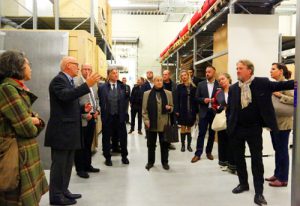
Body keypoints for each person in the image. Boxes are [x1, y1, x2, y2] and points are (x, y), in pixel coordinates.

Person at [226, 60, 294, 206]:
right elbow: (230, 109)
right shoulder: (233, 88)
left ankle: (259, 192)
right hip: (237, 129)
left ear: (249, 70)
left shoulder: (261, 83)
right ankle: (243, 183)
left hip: (254, 129)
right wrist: (229, 126)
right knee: (239, 159)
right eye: (236, 68)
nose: (237, 71)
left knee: (257, 161)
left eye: (241, 68)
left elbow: (283, 85)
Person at [45, 56, 100, 205]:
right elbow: (65, 96)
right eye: (76, 64)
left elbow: (68, 103)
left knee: (68, 164)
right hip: (61, 131)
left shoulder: (68, 81)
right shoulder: (59, 80)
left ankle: (64, 191)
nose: (78, 67)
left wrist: (83, 108)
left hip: (69, 131)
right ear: (68, 65)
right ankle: (56, 196)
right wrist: (86, 85)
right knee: (59, 165)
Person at [0, 51, 48, 206]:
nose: (30, 68)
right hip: (17, 157)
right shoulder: (7, 89)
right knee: (18, 199)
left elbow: (32, 121)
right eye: (28, 64)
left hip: (24, 155)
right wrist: (33, 120)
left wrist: (34, 120)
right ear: (17, 67)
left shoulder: (18, 89)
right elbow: (26, 129)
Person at [265, 63, 294, 187]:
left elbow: (296, 100)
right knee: (278, 150)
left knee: (282, 151)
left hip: (283, 124)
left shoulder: (286, 84)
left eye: (273, 69)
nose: (270, 71)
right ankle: (277, 174)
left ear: (281, 71)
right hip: (274, 124)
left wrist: (280, 95)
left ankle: (283, 179)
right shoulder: (274, 85)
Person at [98, 69, 129, 166]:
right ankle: (107, 157)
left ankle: (124, 156)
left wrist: (125, 114)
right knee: (106, 138)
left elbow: (126, 101)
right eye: (113, 73)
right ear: (108, 75)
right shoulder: (102, 87)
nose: (116, 75)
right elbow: (100, 102)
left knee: (123, 138)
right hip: (108, 117)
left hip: (119, 117)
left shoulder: (122, 87)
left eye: (117, 73)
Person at [74, 64, 100, 179]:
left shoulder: (94, 84)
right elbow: (75, 102)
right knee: (81, 145)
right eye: (85, 69)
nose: (87, 71)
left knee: (89, 143)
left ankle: (87, 165)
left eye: (89, 69)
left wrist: (97, 110)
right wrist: (85, 115)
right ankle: (80, 169)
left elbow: (96, 99)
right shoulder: (77, 83)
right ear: (81, 71)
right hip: (82, 119)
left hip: (93, 118)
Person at [142, 76, 174, 171]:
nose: (159, 82)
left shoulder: (168, 93)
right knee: (151, 144)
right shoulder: (146, 94)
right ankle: (150, 162)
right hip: (151, 123)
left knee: (164, 144)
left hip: (164, 124)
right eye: (157, 80)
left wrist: (170, 108)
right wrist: (146, 120)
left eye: (161, 80)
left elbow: (172, 106)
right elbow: (144, 110)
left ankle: (165, 162)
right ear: (153, 82)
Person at [192, 66, 219, 163]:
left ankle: (208, 152)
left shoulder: (218, 84)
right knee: (201, 134)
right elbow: (196, 98)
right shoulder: (201, 84)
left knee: (212, 134)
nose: (207, 73)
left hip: (214, 113)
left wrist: (216, 101)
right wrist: (203, 100)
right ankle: (198, 154)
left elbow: (222, 98)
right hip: (203, 112)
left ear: (214, 72)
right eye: (206, 72)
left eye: (209, 72)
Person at [212, 73, 236, 174]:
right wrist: (219, 108)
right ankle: (223, 162)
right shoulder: (218, 92)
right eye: (219, 80)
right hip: (222, 120)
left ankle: (233, 165)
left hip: (233, 120)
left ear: (228, 79)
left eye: (223, 79)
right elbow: (214, 104)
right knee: (222, 141)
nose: (221, 81)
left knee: (233, 143)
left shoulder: (235, 90)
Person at [175, 70, 197, 152]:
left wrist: (196, 112)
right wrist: (177, 110)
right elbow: (176, 99)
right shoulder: (179, 87)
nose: (183, 77)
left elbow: (195, 100)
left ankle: (189, 146)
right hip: (182, 110)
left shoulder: (193, 87)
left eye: (185, 75)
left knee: (189, 128)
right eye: (182, 75)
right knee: (183, 128)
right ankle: (183, 145)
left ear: (188, 76)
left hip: (191, 111)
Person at [162, 70, 177, 150]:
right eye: (163, 74)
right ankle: (163, 142)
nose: (164, 76)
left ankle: (169, 143)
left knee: (171, 125)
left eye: (166, 74)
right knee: (163, 125)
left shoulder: (174, 85)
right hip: (163, 108)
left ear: (169, 75)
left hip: (172, 108)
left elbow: (176, 97)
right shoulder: (160, 84)